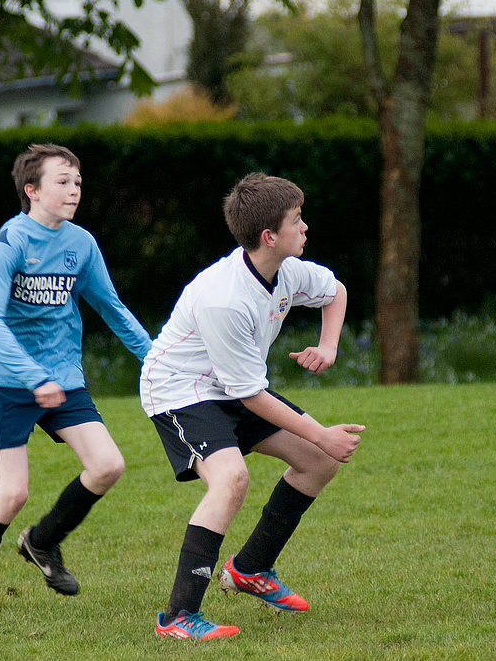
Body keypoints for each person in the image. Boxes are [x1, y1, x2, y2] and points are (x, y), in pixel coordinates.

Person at [140, 172, 364, 641]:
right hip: (180, 389)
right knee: (231, 478)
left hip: (228, 385)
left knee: (318, 462)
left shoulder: (285, 270)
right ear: (269, 236)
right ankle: (177, 617)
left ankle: (251, 568)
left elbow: (335, 291)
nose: (305, 228)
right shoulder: (225, 299)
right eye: (296, 220)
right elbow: (250, 396)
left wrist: (329, 346)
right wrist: (321, 431)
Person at [0, 144, 152, 616]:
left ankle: (42, 541)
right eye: (62, 181)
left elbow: (111, 307)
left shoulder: (81, 244)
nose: (74, 189)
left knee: (107, 465)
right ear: (31, 190)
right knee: (12, 493)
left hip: (62, 377)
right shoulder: (11, 242)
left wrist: (154, 358)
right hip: (10, 380)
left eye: (77, 181)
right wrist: (32, 376)